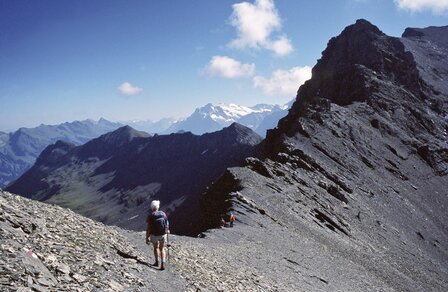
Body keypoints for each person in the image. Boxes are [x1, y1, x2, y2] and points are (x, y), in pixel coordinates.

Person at [146, 200, 169, 270]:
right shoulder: (163, 214)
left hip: (154, 235)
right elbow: (167, 223)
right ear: (158, 207)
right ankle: (163, 263)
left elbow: (148, 228)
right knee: (162, 248)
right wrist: (167, 231)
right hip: (163, 234)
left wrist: (147, 237)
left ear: (152, 208)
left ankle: (157, 262)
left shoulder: (150, 216)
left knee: (156, 247)